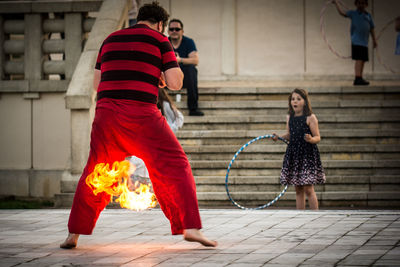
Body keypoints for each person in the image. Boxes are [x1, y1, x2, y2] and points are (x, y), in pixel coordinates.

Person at [60, 2, 217, 249]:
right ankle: (191, 228)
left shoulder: (110, 39)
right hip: (142, 116)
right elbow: (176, 83)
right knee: (176, 165)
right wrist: (162, 76)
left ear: (139, 19)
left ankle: (73, 235)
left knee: (95, 171)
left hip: (106, 116)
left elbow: (96, 84)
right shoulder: (159, 41)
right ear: (160, 24)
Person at [272, 89, 325, 210]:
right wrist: (279, 137)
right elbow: (290, 135)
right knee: (298, 188)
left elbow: (318, 137)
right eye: (292, 99)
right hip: (294, 155)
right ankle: (300, 215)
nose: (295, 101)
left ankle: (315, 214)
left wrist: (311, 139)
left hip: (307, 155)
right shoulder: (289, 117)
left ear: (305, 102)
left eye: (298, 99)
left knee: (308, 188)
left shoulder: (310, 117)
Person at [333, 0, 377, 86]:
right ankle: (357, 78)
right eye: (359, 3)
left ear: (366, 5)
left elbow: (372, 28)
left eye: (363, 3)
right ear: (356, 4)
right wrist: (336, 4)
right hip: (356, 41)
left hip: (365, 42)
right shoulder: (353, 13)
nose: (361, 5)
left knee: (363, 60)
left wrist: (374, 40)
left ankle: (360, 77)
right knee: (359, 59)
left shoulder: (368, 16)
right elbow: (342, 13)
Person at [168, 19, 204, 116]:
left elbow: (195, 60)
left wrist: (180, 60)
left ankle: (193, 108)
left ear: (182, 31)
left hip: (184, 78)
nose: (174, 31)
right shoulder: (165, 42)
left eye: (177, 29)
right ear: (168, 31)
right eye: (171, 29)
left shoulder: (188, 42)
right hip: (167, 78)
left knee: (191, 69)